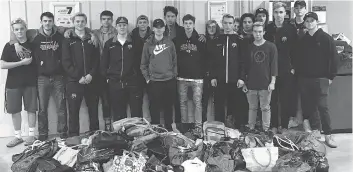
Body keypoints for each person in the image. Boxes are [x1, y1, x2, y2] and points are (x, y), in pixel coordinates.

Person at [294, 12, 338, 148]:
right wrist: (299, 75)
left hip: (322, 78)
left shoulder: (326, 39)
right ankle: (314, 135)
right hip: (305, 79)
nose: (309, 23)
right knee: (308, 108)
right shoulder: (303, 40)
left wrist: (331, 76)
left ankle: (328, 136)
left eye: (312, 21)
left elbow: (334, 58)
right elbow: (298, 59)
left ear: (317, 22)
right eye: (307, 21)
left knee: (323, 107)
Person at [62, 12, 100, 137]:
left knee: (93, 111)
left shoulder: (91, 38)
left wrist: (90, 75)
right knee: (73, 112)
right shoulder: (68, 39)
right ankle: (74, 138)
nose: (80, 23)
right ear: (73, 23)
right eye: (77, 21)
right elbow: (66, 62)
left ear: (86, 22)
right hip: (74, 82)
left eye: (82, 21)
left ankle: (95, 137)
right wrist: (78, 77)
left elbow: (96, 60)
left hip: (91, 81)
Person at [1, 18, 38, 147]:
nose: (19, 31)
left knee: (31, 109)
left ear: (26, 29)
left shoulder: (33, 44)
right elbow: (2, 64)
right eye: (16, 29)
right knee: (14, 110)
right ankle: (18, 137)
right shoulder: (9, 46)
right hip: (13, 83)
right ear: (13, 31)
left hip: (30, 82)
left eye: (22, 29)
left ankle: (31, 135)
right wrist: (21, 63)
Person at [101, 17, 144, 122]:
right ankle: (121, 136)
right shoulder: (109, 43)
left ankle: (137, 135)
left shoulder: (135, 43)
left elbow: (141, 61)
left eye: (124, 25)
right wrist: (107, 78)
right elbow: (103, 63)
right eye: (120, 25)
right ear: (116, 27)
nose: (122, 27)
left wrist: (138, 78)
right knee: (119, 113)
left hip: (132, 83)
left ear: (127, 27)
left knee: (136, 113)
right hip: (115, 83)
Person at [264, 2, 297, 134]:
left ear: (286, 14)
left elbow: (295, 50)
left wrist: (293, 67)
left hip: (285, 69)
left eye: (281, 12)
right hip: (269, 69)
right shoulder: (268, 29)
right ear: (273, 14)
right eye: (276, 12)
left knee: (285, 99)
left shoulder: (290, 29)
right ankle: (273, 125)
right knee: (271, 99)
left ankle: (283, 125)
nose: (278, 15)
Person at [209, 14, 247, 127]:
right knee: (219, 106)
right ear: (222, 23)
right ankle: (219, 129)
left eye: (230, 23)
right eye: (225, 23)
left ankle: (236, 130)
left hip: (235, 80)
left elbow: (243, 61)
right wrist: (213, 76)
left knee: (236, 106)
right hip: (219, 80)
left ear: (234, 24)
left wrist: (242, 77)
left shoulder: (240, 40)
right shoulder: (216, 40)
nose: (227, 25)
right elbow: (212, 60)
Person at [141, 19, 177, 131]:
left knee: (168, 108)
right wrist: (147, 78)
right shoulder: (148, 44)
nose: (159, 29)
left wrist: (173, 75)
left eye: (161, 27)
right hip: (154, 82)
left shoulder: (170, 43)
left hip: (169, 80)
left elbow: (175, 61)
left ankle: (169, 130)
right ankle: (156, 130)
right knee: (154, 109)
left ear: (164, 29)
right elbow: (143, 64)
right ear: (153, 29)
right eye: (156, 27)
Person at [242, 22, 278, 132]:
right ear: (252, 33)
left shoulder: (271, 47)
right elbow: (245, 66)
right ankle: (251, 128)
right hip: (251, 83)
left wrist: (272, 82)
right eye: (255, 32)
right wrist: (244, 82)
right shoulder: (249, 48)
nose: (258, 34)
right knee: (252, 108)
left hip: (265, 83)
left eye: (260, 32)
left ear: (264, 32)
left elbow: (274, 65)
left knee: (265, 108)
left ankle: (266, 130)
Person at [173, 14, 207, 124]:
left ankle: (198, 126)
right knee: (182, 102)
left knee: (197, 102)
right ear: (183, 25)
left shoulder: (200, 39)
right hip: (182, 77)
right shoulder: (177, 40)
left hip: (197, 78)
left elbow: (205, 58)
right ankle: (184, 125)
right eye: (186, 23)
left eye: (190, 23)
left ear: (194, 24)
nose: (188, 26)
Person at [92, 10, 118, 131]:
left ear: (112, 20)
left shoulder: (117, 32)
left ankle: (116, 126)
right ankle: (106, 126)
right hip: (97, 70)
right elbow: (80, 30)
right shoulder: (94, 33)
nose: (106, 21)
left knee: (113, 98)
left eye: (108, 19)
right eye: (104, 19)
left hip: (113, 69)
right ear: (100, 20)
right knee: (102, 99)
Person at [290, 0, 309, 130]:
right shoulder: (290, 25)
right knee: (291, 93)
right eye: (296, 8)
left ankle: (306, 121)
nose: (299, 10)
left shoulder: (309, 24)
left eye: (301, 8)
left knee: (305, 94)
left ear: (305, 9)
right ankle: (293, 119)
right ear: (293, 10)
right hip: (291, 65)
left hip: (306, 66)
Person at [203, 20, 221, 122]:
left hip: (217, 75)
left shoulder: (220, 40)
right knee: (204, 101)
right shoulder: (203, 40)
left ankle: (218, 123)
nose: (211, 29)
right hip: (205, 75)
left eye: (213, 27)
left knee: (218, 101)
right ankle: (203, 124)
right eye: (209, 27)